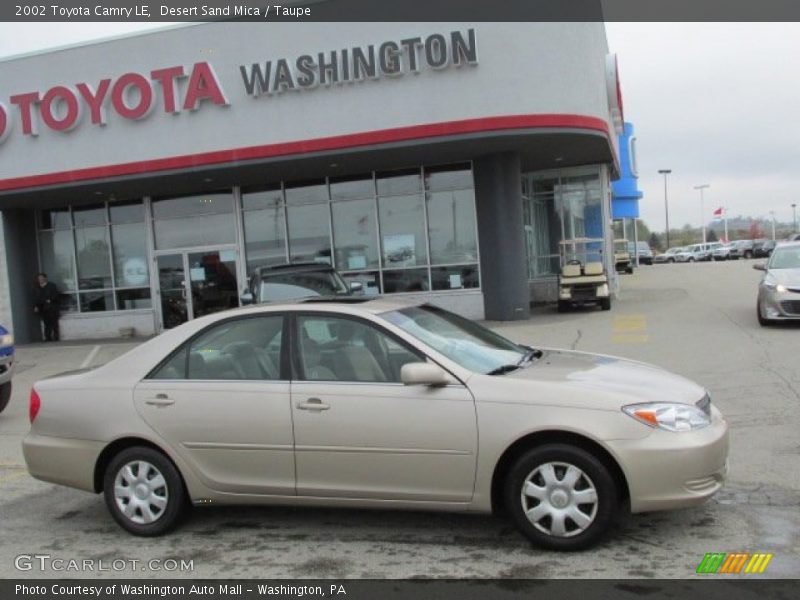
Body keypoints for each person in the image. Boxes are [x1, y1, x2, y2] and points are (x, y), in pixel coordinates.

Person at [33, 272, 60, 342]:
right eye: (39, 279)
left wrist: (50, 300)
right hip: (43, 308)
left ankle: (56, 337)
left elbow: (56, 295)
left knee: (54, 323)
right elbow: (36, 298)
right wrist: (36, 306)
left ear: (45, 278)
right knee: (46, 323)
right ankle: (48, 338)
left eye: (42, 278)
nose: (40, 280)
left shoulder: (52, 285)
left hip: (52, 307)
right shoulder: (37, 287)